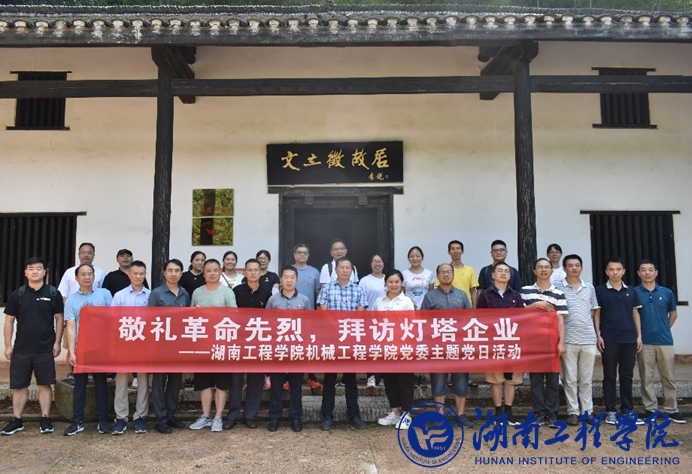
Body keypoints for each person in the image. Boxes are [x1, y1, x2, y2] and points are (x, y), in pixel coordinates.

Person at [1, 257, 64, 436]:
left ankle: (45, 418)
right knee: (19, 385)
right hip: (21, 349)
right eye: (31, 268)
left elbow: (59, 319)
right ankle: (16, 419)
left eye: (38, 268)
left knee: (45, 384)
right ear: (25, 272)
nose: (35, 271)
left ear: (45, 272)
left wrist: (57, 342)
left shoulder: (53, 293)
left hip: (45, 348)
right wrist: (8, 345)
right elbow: (9, 321)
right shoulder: (18, 295)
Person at [317, 257, 368, 430]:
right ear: (336, 270)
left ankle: (354, 415)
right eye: (342, 267)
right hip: (331, 339)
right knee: (329, 379)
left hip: (351, 339)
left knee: (351, 380)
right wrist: (338, 328)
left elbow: (361, 314)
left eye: (348, 268)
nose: (345, 270)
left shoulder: (358, 289)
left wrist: (347, 329)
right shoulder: (327, 288)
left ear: (352, 271)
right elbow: (323, 313)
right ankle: (326, 415)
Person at [421, 263, 475, 428]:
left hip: (459, 345)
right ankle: (439, 416)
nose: (446, 275)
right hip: (437, 346)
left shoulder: (462, 295)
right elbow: (423, 321)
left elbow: (469, 319)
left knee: (461, 381)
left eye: (449, 272)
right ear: (437, 276)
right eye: (442, 272)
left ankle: (461, 415)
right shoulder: (430, 297)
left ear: (453, 274)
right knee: (438, 381)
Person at [63, 264, 113, 436]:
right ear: (77, 278)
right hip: (82, 348)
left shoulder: (104, 294)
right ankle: (77, 421)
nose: (87, 277)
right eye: (83, 274)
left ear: (94, 276)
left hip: (101, 347)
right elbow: (71, 327)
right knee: (80, 385)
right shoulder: (71, 300)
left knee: (101, 384)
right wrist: (72, 351)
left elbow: (112, 319)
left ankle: (103, 420)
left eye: (90, 274)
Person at [189, 259, 237, 432]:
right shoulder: (197, 292)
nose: (212, 273)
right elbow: (190, 317)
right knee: (204, 382)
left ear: (220, 272)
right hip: (202, 343)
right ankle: (205, 416)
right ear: (204, 274)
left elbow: (234, 315)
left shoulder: (227, 292)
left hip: (221, 343)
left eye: (215, 270)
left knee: (221, 383)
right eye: (208, 270)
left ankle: (218, 417)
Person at [594, 256, 643, 425]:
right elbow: (597, 313)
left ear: (623, 271)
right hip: (609, 339)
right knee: (609, 375)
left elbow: (635, 313)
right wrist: (598, 335)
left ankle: (627, 409)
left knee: (627, 375)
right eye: (611, 270)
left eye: (618, 269)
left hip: (629, 338)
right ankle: (610, 410)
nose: (615, 272)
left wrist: (639, 335)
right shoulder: (600, 290)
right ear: (606, 272)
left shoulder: (631, 291)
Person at [635, 260, 685, 423]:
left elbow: (673, 314)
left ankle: (671, 409)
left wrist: (664, 328)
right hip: (645, 341)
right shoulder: (635, 293)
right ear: (639, 273)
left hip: (665, 341)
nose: (647, 273)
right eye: (643, 270)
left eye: (650, 270)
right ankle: (651, 409)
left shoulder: (667, 292)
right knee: (646, 377)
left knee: (668, 377)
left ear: (656, 273)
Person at [553, 254, 600, 426]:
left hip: (588, 338)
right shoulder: (558, 288)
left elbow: (594, 310)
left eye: (577, 265)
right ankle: (573, 411)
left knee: (586, 378)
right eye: (570, 265)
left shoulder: (589, 287)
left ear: (582, 268)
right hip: (568, 339)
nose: (574, 268)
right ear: (564, 269)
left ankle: (587, 410)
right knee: (570, 378)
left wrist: (597, 333)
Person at [521, 258, 567, 428]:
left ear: (551, 271)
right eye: (540, 267)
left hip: (551, 342)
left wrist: (562, 342)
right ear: (534, 271)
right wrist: (535, 305)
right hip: (533, 343)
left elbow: (560, 320)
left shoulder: (558, 293)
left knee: (553, 380)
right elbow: (518, 313)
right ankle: (539, 413)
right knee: (536, 381)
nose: (544, 270)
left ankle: (552, 413)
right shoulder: (525, 291)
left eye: (547, 267)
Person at [226, 258, 272, 430]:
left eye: (256, 270)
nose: (253, 273)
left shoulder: (267, 292)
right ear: (244, 273)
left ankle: (250, 415)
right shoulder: (237, 291)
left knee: (256, 380)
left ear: (261, 273)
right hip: (239, 341)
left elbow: (271, 318)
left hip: (259, 341)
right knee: (235, 380)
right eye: (250, 270)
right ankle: (232, 415)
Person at [476, 262, 524, 426]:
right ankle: (498, 411)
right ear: (493, 275)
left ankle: (509, 411)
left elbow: (522, 319)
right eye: (500, 271)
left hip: (512, 342)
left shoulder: (516, 296)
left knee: (511, 379)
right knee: (495, 379)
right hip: (493, 342)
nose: (503, 273)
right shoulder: (485, 295)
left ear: (510, 276)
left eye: (506, 271)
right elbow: (480, 319)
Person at [266, 266, 311, 432]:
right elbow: (267, 324)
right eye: (286, 277)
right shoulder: (273, 300)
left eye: (292, 277)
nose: (289, 280)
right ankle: (274, 417)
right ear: (281, 279)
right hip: (278, 348)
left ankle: (296, 417)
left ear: (297, 280)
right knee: (276, 386)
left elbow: (309, 324)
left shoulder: (304, 300)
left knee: (296, 386)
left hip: (297, 349)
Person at [148, 258, 191, 434]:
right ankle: (160, 419)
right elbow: (149, 320)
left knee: (175, 382)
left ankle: (171, 415)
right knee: (159, 382)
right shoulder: (156, 294)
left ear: (181, 273)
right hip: (160, 345)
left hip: (178, 345)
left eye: (177, 271)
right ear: (164, 273)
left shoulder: (185, 294)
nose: (173, 274)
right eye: (170, 271)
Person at [111, 260, 151, 435]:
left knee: (143, 380)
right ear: (129, 275)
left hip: (143, 343)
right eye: (135, 273)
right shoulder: (120, 296)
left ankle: (140, 416)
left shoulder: (150, 295)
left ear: (145, 275)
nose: (138, 277)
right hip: (124, 342)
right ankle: (121, 417)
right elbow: (112, 320)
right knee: (121, 379)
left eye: (141, 274)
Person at [373, 269, 416, 430]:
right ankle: (394, 412)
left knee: (405, 381)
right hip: (385, 348)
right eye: (390, 282)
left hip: (404, 347)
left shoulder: (407, 302)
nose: (393, 285)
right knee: (390, 380)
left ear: (401, 283)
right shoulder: (379, 301)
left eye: (397, 282)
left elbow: (413, 325)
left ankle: (406, 414)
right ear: (386, 283)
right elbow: (374, 323)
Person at [291, 243, 322, 390]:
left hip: (309, 314)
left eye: (305, 253)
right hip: (291, 315)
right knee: (291, 344)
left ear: (308, 255)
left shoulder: (314, 272)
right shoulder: (290, 270)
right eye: (299, 252)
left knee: (309, 346)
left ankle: (311, 376)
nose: (302, 255)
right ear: (294, 254)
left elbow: (317, 293)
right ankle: (288, 376)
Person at [435, 241, 478, 307]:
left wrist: (474, 308)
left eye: (458, 248)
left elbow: (473, 291)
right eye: (452, 249)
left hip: (465, 307)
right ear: (448, 252)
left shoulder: (470, 270)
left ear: (462, 251)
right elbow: (439, 289)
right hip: (447, 306)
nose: (455, 251)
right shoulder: (444, 270)